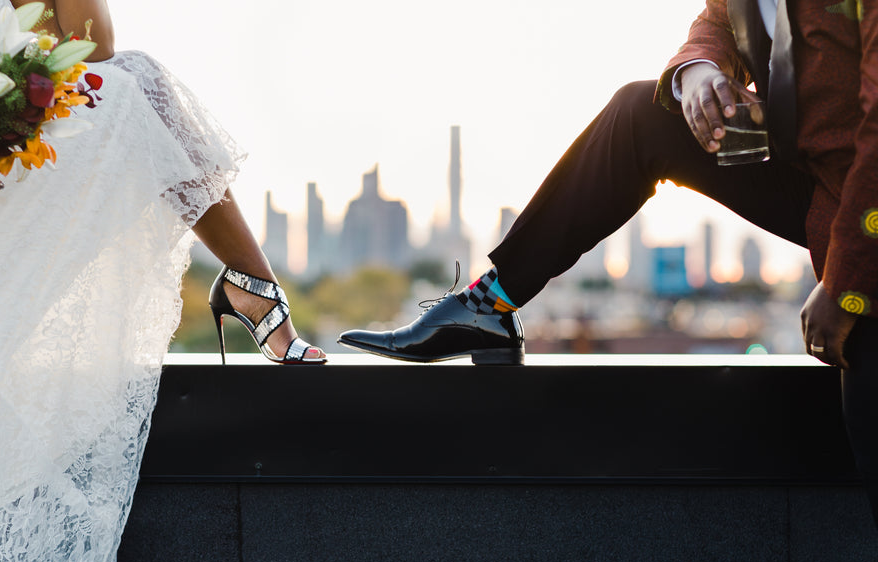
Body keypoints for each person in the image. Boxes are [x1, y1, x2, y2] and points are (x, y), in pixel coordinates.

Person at [0, 0, 324, 562]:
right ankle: (255, 292)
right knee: (141, 88)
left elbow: (95, 53)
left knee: (137, 84)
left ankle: (252, 285)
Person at [339, 0, 878, 528]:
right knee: (641, 114)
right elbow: (722, 18)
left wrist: (845, 286)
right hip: (822, 181)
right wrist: (696, 71)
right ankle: (488, 306)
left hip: (865, 200)